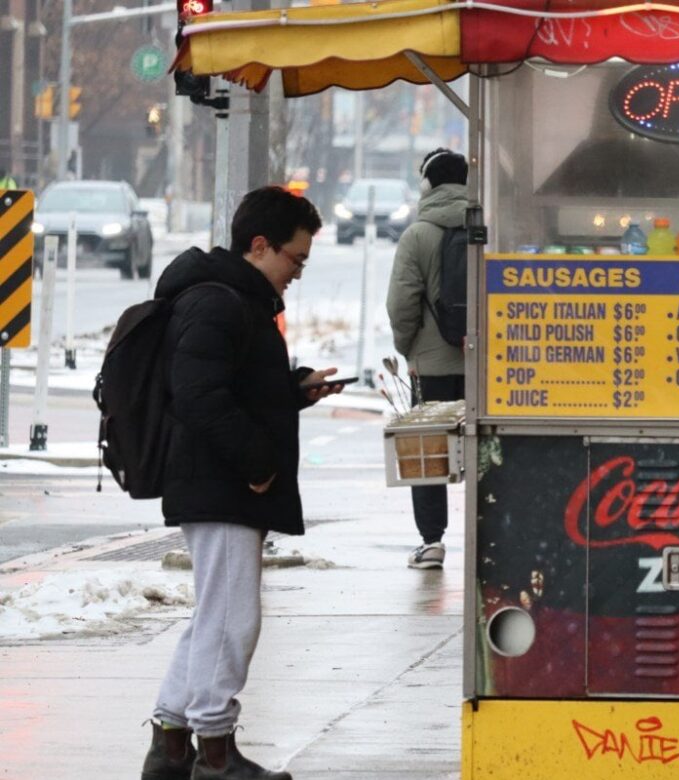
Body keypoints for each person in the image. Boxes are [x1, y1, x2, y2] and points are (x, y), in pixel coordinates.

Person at [141, 186, 344, 780]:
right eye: (295, 259)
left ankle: (171, 745)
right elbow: (200, 396)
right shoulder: (219, 302)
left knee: (213, 617)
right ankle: (216, 752)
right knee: (233, 621)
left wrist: (293, 389)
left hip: (217, 481)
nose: (297, 274)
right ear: (261, 245)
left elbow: (230, 388)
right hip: (222, 483)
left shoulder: (234, 300)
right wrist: (259, 465)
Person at [387, 148, 468, 569]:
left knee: (429, 452)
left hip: (432, 366)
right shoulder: (486, 226)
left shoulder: (418, 234)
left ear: (427, 185)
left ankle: (432, 542)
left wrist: (409, 348)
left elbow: (402, 302)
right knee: (486, 450)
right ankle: (489, 536)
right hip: (482, 365)